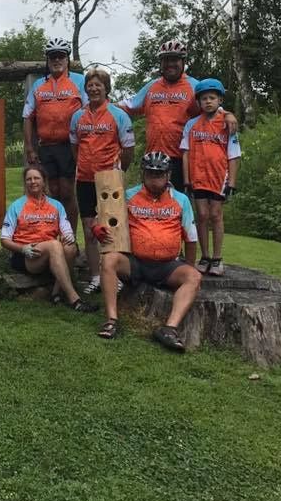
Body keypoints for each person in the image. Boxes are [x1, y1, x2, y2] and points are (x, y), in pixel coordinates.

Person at [92, 152, 201, 351]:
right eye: (150, 174)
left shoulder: (181, 200)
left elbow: (191, 238)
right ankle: (111, 320)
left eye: (159, 175)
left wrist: (189, 264)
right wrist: (98, 229)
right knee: (108, 261)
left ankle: (169, 328)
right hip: (135, 262)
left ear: (168, 176)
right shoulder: (128, 195)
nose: (154, 179)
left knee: (193, 276)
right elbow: (102, 216)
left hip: (167, 265)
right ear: (143, 174)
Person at [121, 40, 237, 192]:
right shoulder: (152, 86)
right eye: (166, 60)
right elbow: (127, 105)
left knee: (179, 204)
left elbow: (211, 105)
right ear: (161, 63)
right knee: (152, 203)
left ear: (183, 62)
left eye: (175, 59)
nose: (170, 64)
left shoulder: (194, 85)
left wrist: (227, 114)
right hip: (153, 155)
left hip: (182, 157)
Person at [68, 67, 135, 294]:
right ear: (86, 89)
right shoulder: (78, 116)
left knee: (111, 229)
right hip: (85, 179)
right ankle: (95, 276)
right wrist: (85, 165)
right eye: (90, 85)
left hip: (110, 179)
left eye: (98, 85)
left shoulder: (119, 115)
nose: (94, 88)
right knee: (89, 229)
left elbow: (128, 150)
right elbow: (75, 148)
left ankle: (114, 275)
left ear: (106, 88)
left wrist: (117, 172)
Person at [0, 165, 98, 314]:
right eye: (29, 179)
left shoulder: (56, 205)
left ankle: (56, 292)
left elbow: (67, 231)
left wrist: (68, 237)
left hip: (52, 254)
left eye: (36, 178)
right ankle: (74, 299)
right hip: (27, 255)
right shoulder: (17, 206)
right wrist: (23, 249)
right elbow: (4, 239)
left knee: (70, 247)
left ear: (44, 181)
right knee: (54, 245)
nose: (33, 182)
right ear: (25, 183)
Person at [23, 37, 88, 233]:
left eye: (60, 56)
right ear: (47, 60)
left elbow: (88, 112)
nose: (56, 60)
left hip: (69, 145)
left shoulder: (80, 81)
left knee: (68, 192)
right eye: (52, 57)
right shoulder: (39, 85)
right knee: (51, 192)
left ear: (67, 59)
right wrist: (29, 148)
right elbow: (27, 117)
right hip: (46, 146)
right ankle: (53, 236)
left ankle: (71, 239)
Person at [180, 79, 241, 276]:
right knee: (202, 216)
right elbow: (186, 153)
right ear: (199, 102)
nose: (208, 102)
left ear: (220, 100)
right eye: (204, 98)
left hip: (218, 176)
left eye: (212, 98)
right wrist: (187, 179)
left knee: (216, 215)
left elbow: (234, 154)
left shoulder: (226, 123)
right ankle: (204, 256)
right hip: (198, 176)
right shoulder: (191, 124)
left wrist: (232, 182)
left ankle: (217, 257)